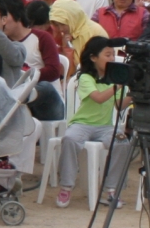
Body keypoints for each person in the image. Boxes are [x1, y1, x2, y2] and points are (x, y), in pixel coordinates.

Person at [55, 37, 133, 208]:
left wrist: (134, 92)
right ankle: (66, 186)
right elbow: (98, 98)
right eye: (107, 55)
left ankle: (111, 190)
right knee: (70, 139)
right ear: (93, 58)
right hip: (82, 123)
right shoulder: (85, 78)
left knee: (122, 143)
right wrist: (118, 86)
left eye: (113, 55)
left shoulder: (117, 79)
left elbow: (119, 106)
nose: (112, 59)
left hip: (106, 126)